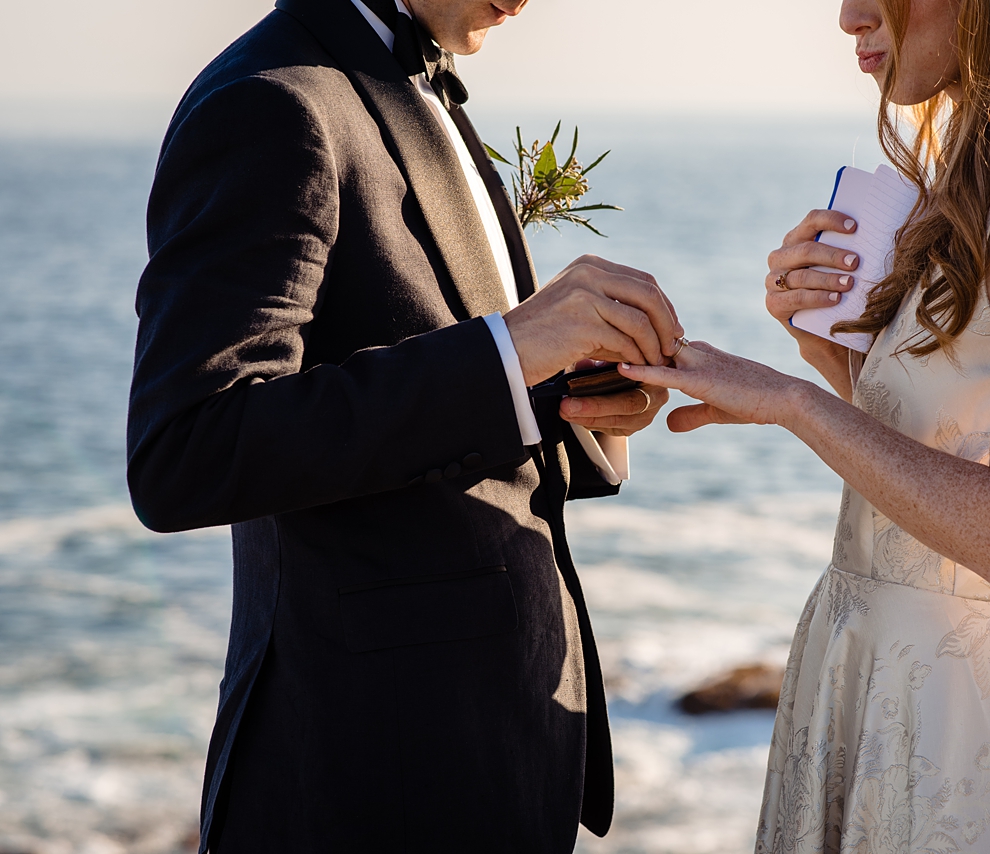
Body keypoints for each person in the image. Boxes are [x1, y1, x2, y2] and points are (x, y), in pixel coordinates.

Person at [126, 0, 683, 850]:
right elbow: (190, 446)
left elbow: (452, 374)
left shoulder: (419, 86)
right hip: (365, 779)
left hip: (499, 754)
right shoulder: (271, 99)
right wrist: (508, 350)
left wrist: (581, 397)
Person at [621, 0, 990, 848]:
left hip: (967, 731)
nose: (847, 15)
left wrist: (792, 404)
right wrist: (826, 357)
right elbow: (948, 455)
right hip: (877, 680)